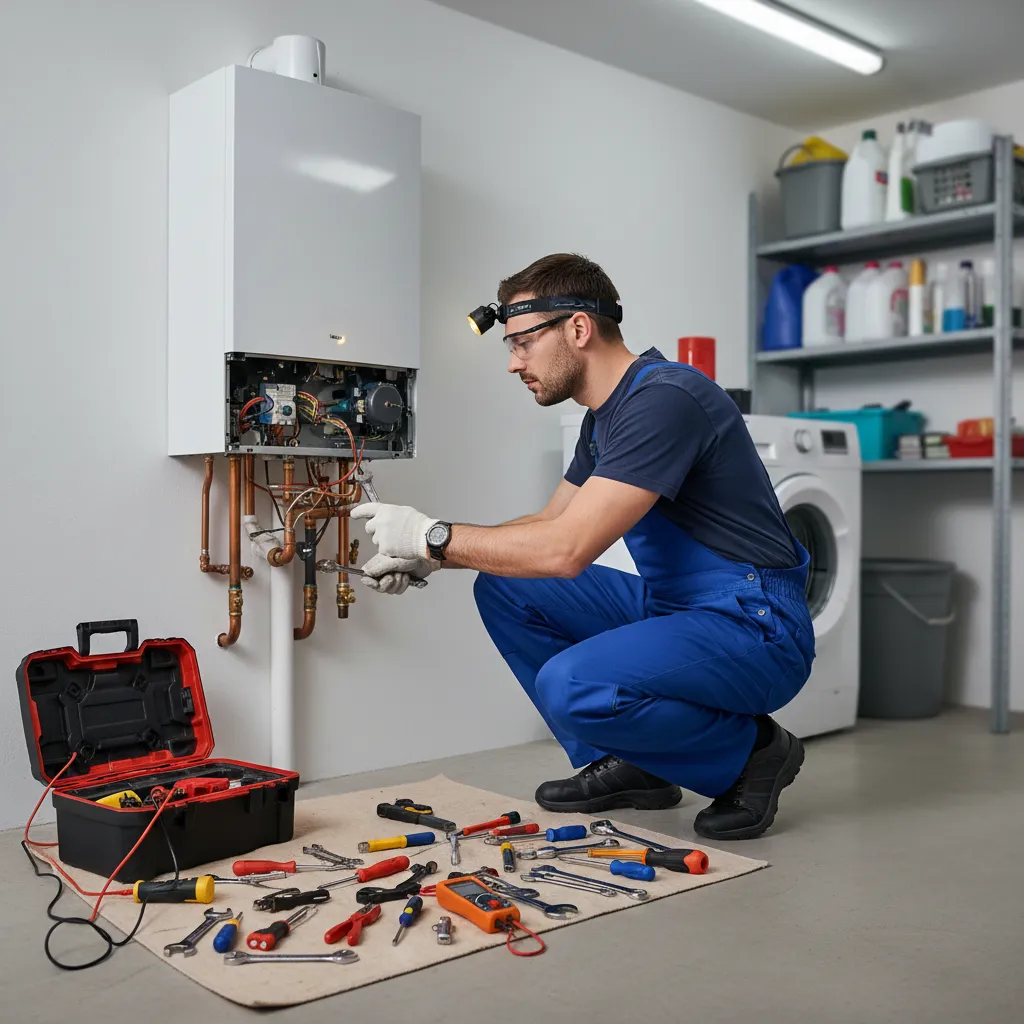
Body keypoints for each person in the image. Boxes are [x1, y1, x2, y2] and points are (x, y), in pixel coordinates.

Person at [351, 253, 814, 840]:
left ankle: (753, 753)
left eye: (522, 343)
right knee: (507, 587)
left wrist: (433, 536)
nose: (514, 363)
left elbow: (566, 550)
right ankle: (636, 765)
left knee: (572, 684)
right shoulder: (605, 418)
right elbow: (549, 521)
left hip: (756, 624)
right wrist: (430, 554)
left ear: (577, 328)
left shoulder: (665, 400)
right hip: (680, 606)